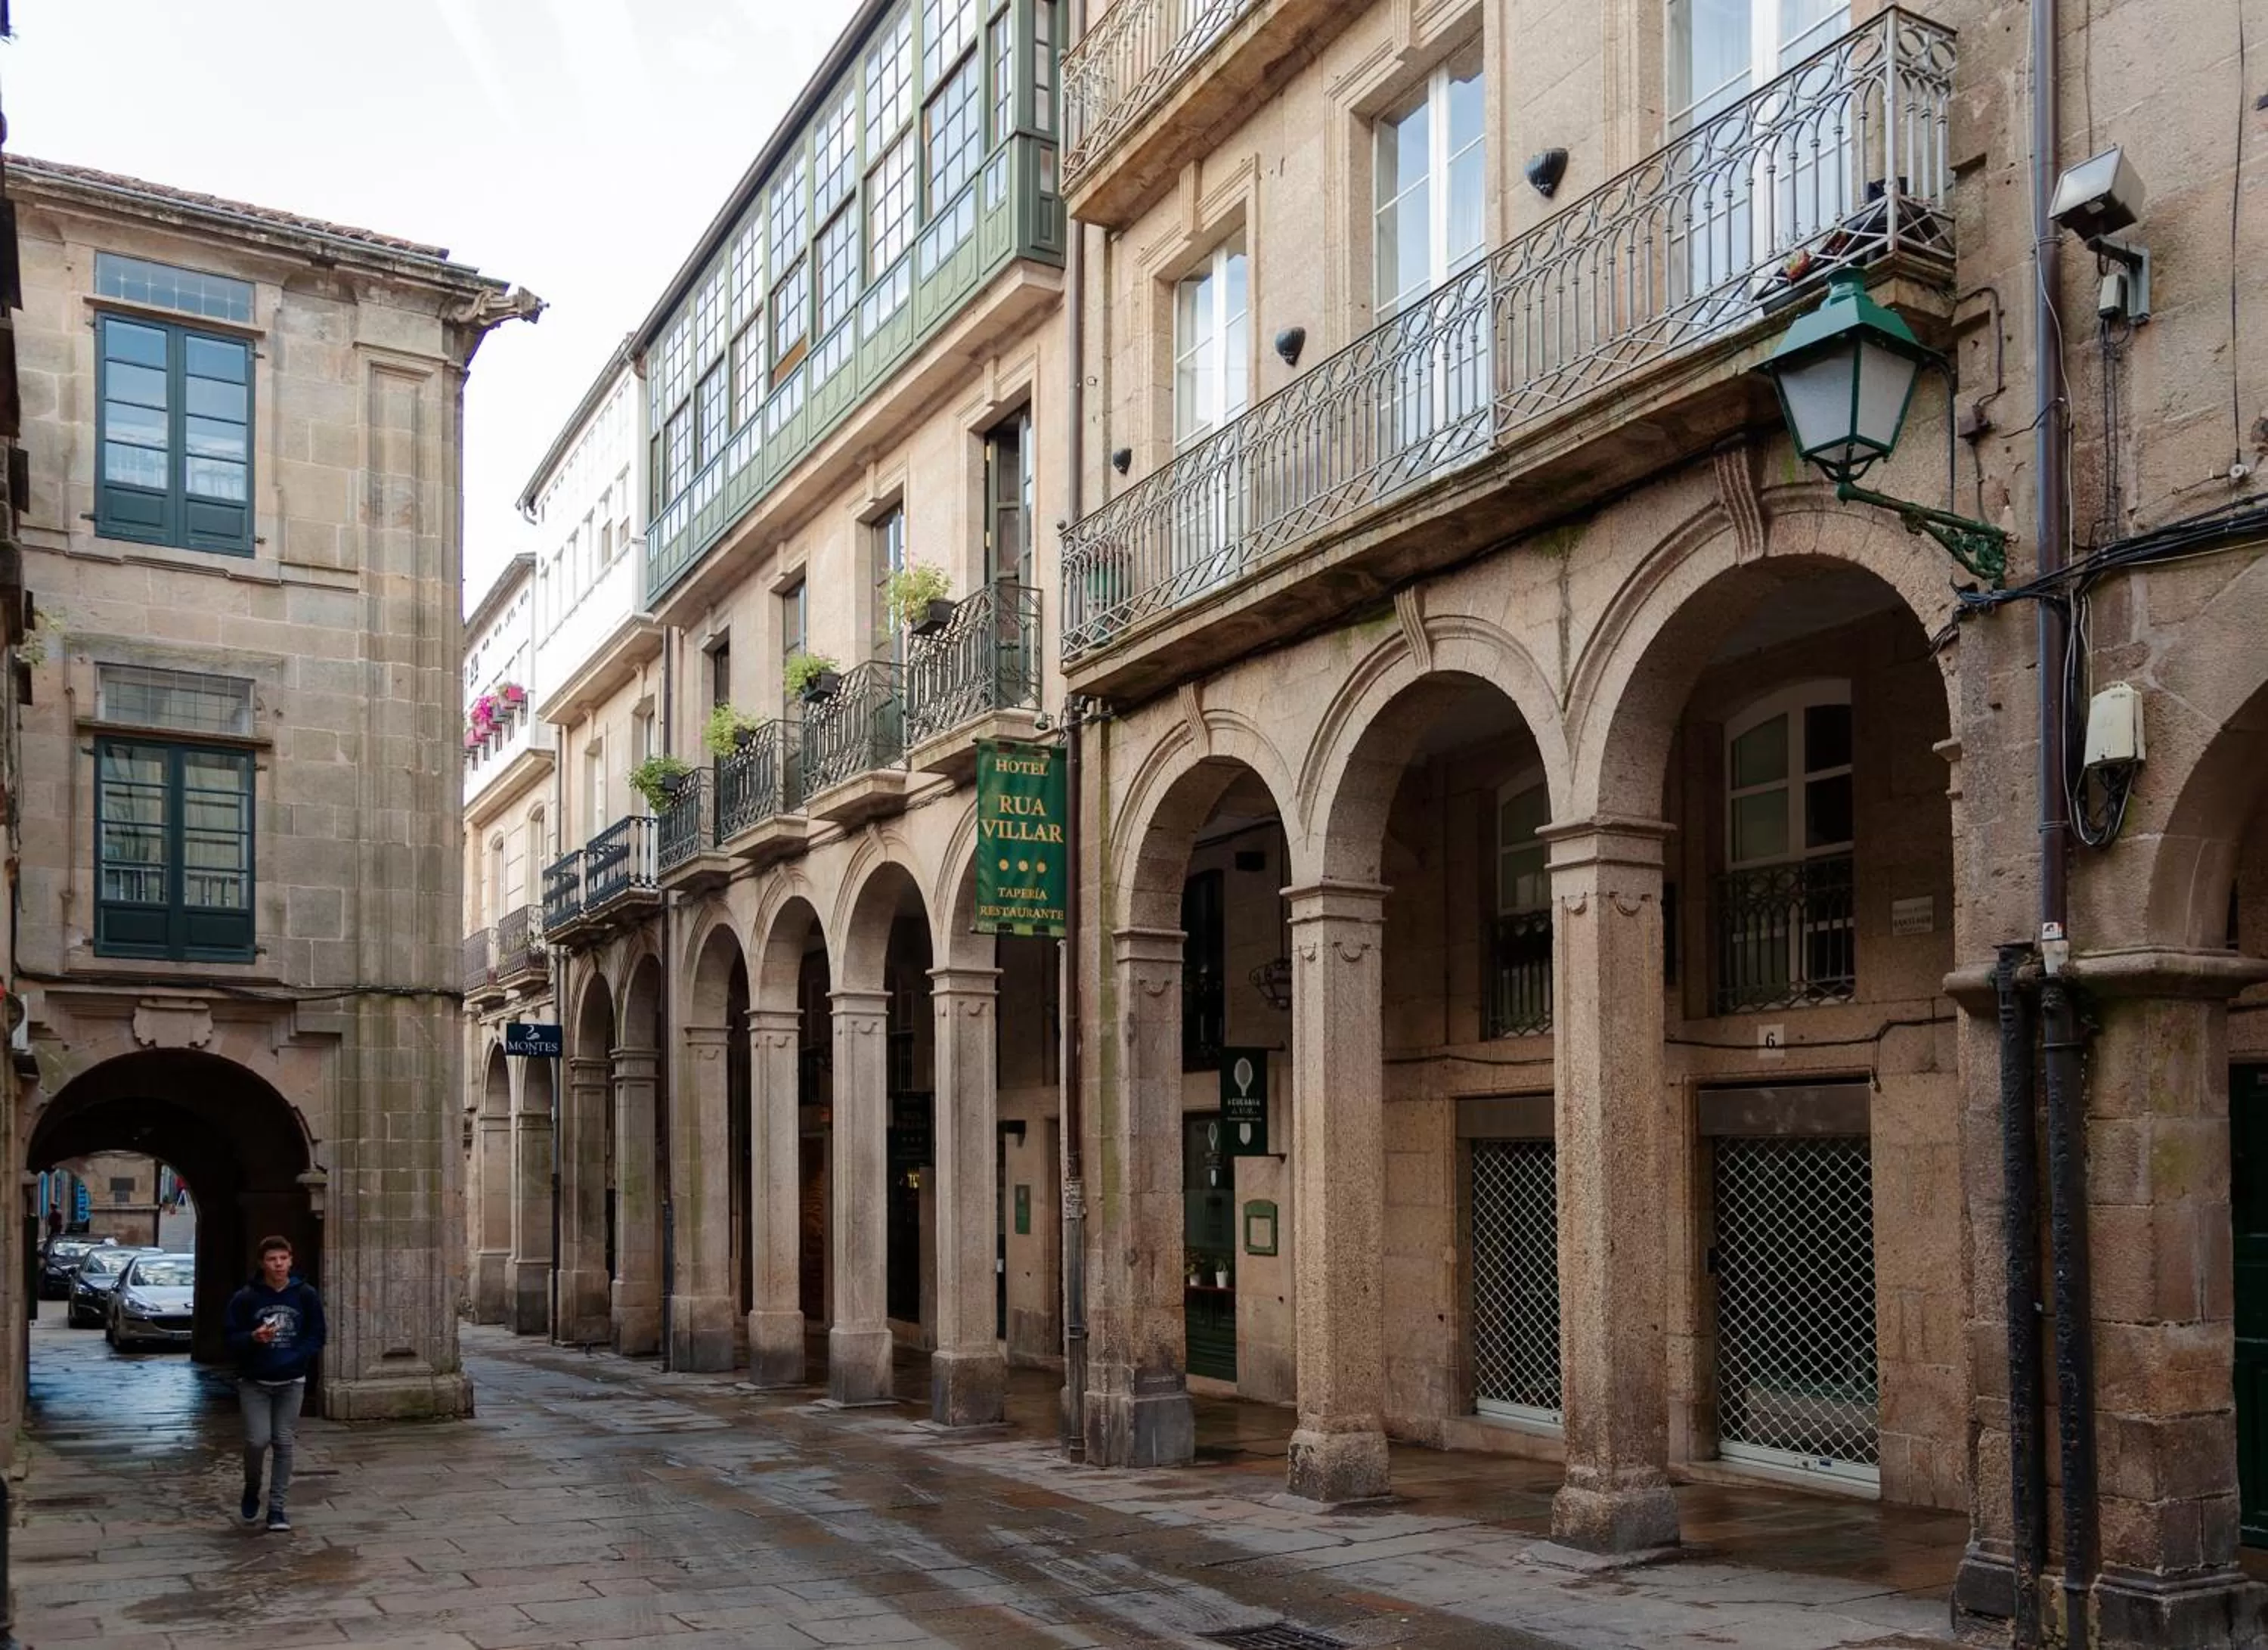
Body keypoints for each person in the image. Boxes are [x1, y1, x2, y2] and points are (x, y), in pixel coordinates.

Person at [222, 1236, 325, 1533]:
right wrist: (252, 1338)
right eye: (272, 1259)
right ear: (262, 1263)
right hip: (254, 1381)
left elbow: (317, 1333)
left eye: (283, 1258)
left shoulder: (305, 1295)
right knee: (257, 1440)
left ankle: (277, 1508)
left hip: (291, 1381)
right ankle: (252, 1486)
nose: (278, 1264)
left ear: (291, 1260)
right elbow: (230, 1336)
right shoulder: (246, 1298)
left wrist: (298, 1357)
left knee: (283, 1441)